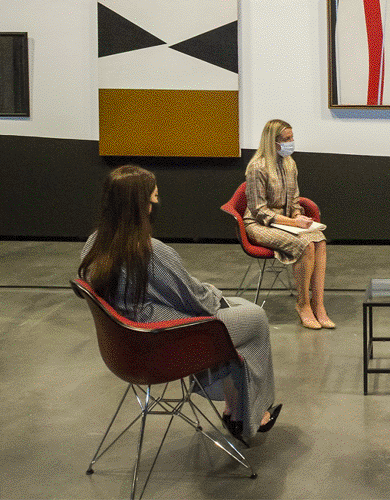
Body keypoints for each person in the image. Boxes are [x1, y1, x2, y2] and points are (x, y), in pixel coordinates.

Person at [78, 165, 280, 444]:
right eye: (153, 198)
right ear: (140, 205)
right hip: (163, 345)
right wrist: (214, 293)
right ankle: (248, 414)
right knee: (255, 318)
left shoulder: (94, 244)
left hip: (128, 343)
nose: (155, 204)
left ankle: (235, 410)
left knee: (237, 310)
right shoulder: (149, 251)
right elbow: (195, 300)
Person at [243, 118, 333, 330]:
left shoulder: (290, 163)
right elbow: (259, 211)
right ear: (272, 141)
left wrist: (298, 215)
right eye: (286, 139)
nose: (290, 143)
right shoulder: (257, 168)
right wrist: (293, 222)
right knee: (305, 245)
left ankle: (318, 304)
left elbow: (294, 199)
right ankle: (303, 304)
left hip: (285, 222)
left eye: (291, 138)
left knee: (320, 241)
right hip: (259, 225)